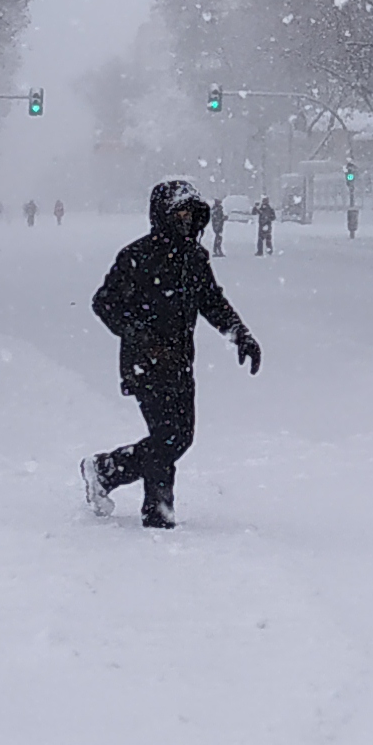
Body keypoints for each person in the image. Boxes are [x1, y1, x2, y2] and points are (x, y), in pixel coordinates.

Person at [86, 179, 260, 529]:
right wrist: (138, 333)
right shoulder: (135, 256)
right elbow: (104, 302)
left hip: (180, 362)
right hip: (143, 363)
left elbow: (211, 302)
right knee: (167, 436)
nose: (185, 220)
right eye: (178, 212)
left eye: (190, 213)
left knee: (180, 436)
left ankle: (107, 469)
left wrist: (240, 335)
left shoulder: (194, 259)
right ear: (162, 215)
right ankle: (158, 513)